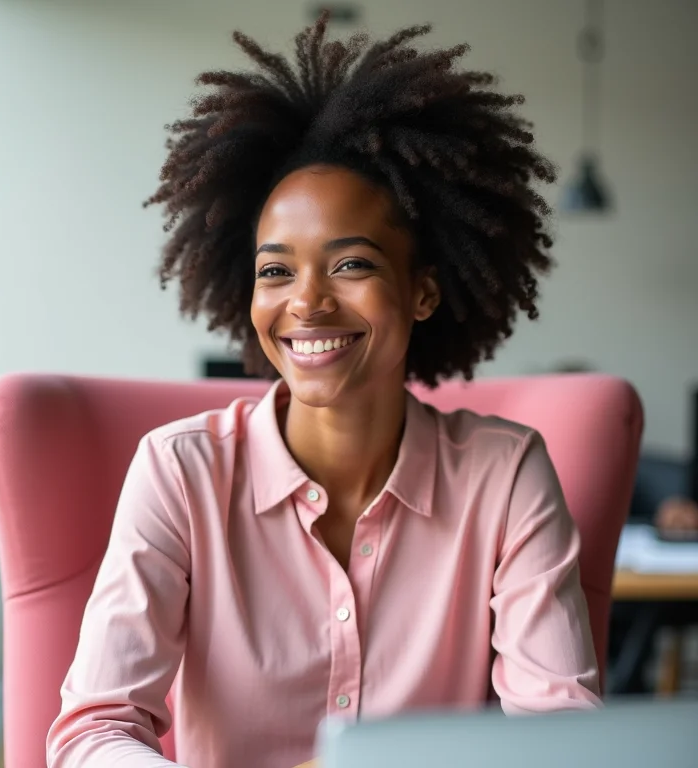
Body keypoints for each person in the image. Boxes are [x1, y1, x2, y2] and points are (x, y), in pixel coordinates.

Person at [46, 13, 601, 768]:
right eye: (276, 270)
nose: (305, 303)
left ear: (424, 292)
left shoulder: (504, 477)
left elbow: (561, 737)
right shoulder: (179, 473)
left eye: (352, 265)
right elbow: (93, 731)